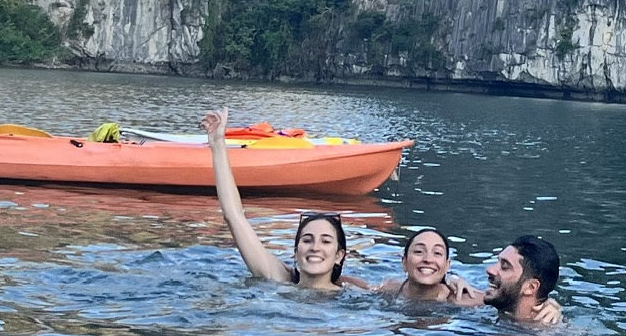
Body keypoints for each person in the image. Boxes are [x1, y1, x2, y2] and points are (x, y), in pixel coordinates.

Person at [201, 107, 348, 291]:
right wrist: (218, 145)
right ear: (296, 252)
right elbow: (234, 215)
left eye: (325, 241)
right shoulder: (279, 279)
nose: (315, 247)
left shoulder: (355, 297)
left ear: (339, 256)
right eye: (307, 240)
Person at [377, 227, 480, 306]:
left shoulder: (462, 301)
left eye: (437, 253)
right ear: (405, 262)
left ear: (447, 266)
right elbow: (368, 288)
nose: (428, 259)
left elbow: (488, 299)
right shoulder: (391, 289)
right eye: (419, 251)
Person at [478, 235, 565, 328]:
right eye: (498, 262)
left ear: (530, 287)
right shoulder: (483, 307)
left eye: (505, 267)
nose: (490, 270)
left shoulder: (550, 333)